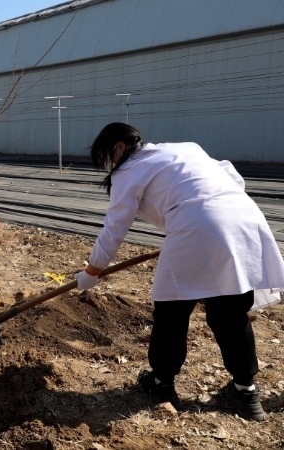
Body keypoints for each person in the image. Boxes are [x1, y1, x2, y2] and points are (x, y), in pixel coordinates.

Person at [76, 122, 284, 422]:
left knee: (172, 312)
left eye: (105, 156)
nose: (108, 165)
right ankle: (246, 393)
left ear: (119, 147)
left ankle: (161, 384)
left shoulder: (128, 171)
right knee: (230, 314)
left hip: (197, 228)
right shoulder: (186, 148)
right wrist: (210, 220)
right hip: (244, 218)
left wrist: (92, 271)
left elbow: (114, 229)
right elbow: (232, 176)